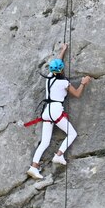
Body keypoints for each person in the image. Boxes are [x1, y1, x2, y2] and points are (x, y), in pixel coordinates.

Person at [26, 43, 92, 180]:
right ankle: (59, 155)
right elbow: (77, 94)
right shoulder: (64, 83)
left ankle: (33, 167)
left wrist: (63, 50)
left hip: (47, 111)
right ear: (61, 70)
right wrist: (83, 83)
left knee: (45, 141)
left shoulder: (49, 77)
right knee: (72, 133)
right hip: (56, 110)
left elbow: (58, 63)